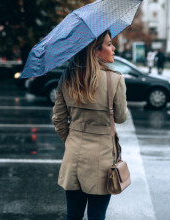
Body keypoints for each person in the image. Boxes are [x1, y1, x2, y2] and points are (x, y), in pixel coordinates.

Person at [52, 30, 128, 220]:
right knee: (97, 216)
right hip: (102, 160)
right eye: (109, 44)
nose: (113, 48)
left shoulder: (66, 78)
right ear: (95, 51)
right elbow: (120, 117)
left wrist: (71, 140)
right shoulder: (115, 79)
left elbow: (59, 120)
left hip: (73, 155)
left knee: (73, 215)